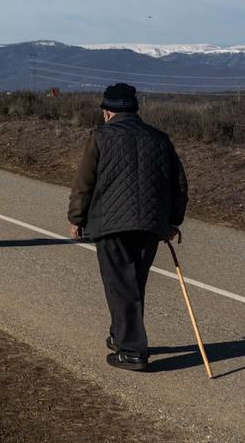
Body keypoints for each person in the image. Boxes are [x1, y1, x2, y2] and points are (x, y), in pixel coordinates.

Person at [68, 83, 188, 371]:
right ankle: (120, 335)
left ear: (107, 113)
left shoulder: (99, 138)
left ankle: (132, 351)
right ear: (134, 111)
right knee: (133, 283)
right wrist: (173, 221)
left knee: (120, 285)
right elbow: (179, 185)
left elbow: (85, 182)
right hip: (150, 224)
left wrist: (76, 218)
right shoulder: (159, 139)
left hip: (111, 225)